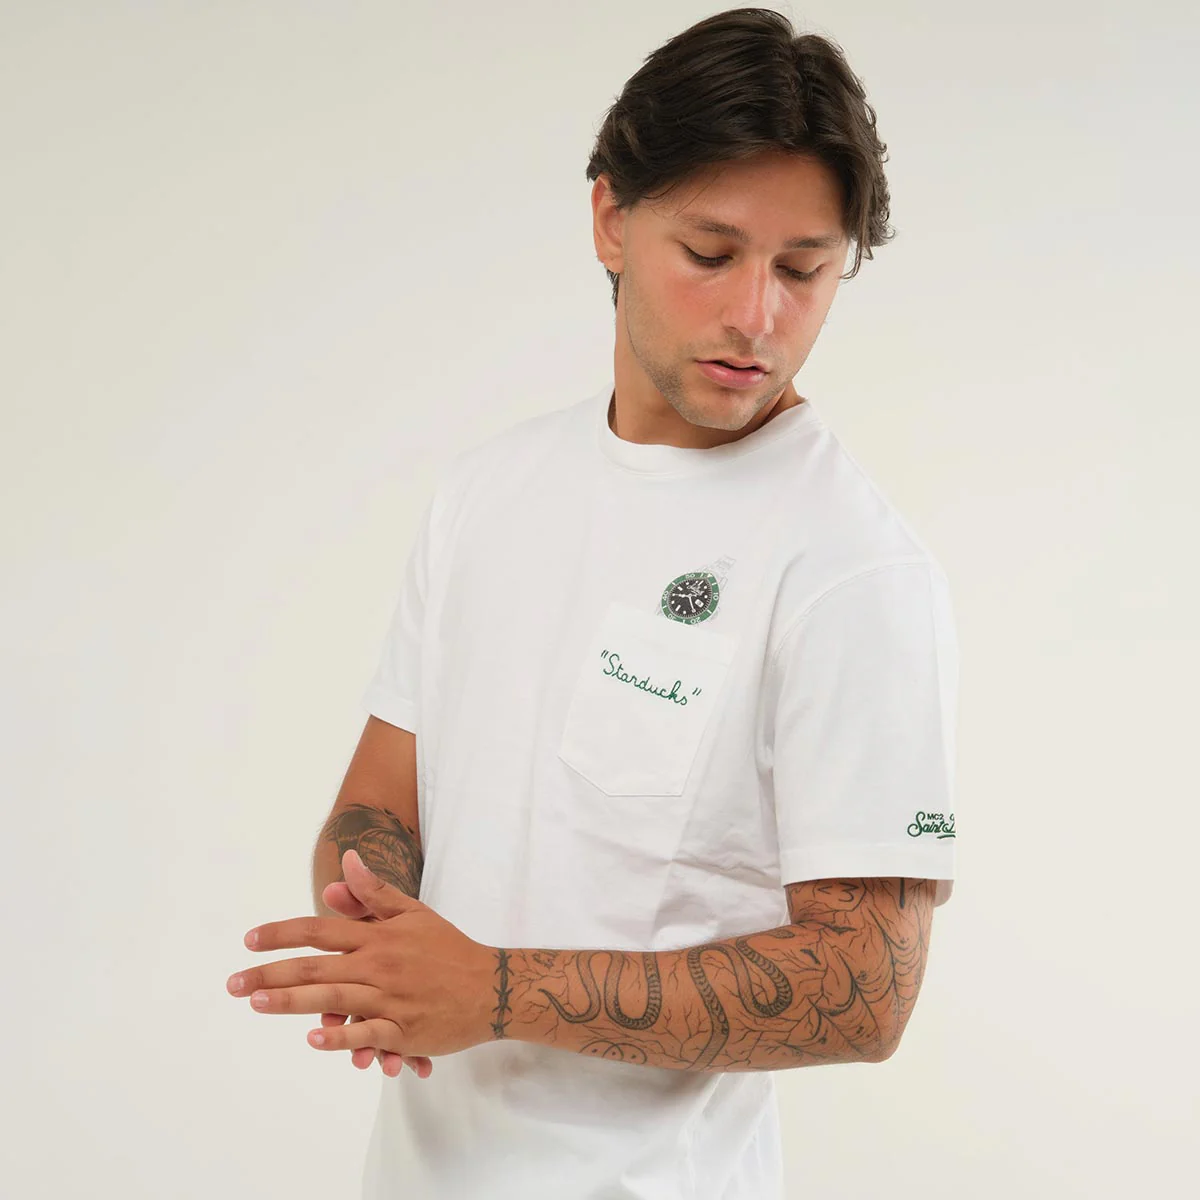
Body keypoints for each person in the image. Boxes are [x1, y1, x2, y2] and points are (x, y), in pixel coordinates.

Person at [314, 9, 959, 1198]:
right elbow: (382, 794)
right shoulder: (489, 491)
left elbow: (865, 988)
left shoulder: (852, 570)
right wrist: (369, 917)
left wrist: (490, 989)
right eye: (711, 253)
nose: (757, 315)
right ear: (611, 219)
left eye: (804, 270)